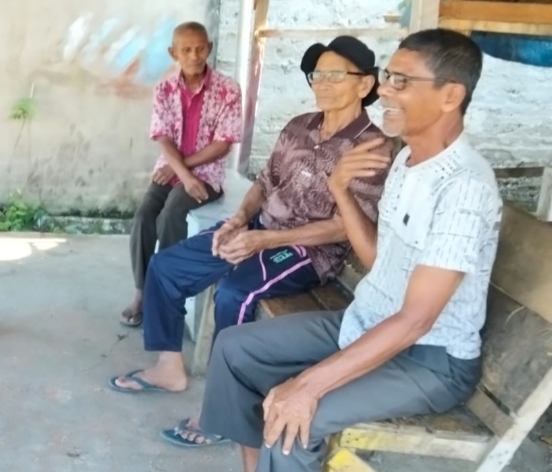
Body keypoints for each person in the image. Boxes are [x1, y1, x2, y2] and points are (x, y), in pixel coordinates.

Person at [198, 28, 503, 472]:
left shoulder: (464, 186)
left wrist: (309, 385)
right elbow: (379, 262)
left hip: (429, 358)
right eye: (388, 78)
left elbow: (416, 320)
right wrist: (340, 188)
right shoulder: (406, 160)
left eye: (401, 81)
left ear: (450, 95)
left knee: (296, 419)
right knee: (233, 349)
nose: (385, 91)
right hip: (367, 321)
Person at [108, 36, 393, 414]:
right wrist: (239, 219)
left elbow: (344, 227)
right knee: (167, 265)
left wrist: (266, 240)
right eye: (318, 75)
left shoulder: (371, 147)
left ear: (364, 84)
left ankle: (225, 406)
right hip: (260, 227)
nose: (322, 83)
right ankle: (168, 368)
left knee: (235, 293)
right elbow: (263, 183)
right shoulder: (299, 127)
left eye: (335, 75)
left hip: (307, 251)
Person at [120, 22, 243, 327]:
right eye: (186, 50)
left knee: (172, 212)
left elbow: (223, 143)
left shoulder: (228, 89)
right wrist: (182, 172)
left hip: (206, 173)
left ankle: (166, 294)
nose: (194, 56)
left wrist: (184, 172)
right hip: (171, 169)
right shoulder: (164, 89)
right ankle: (142, 292)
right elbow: (162, 137)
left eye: (200, 48)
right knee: (144, 216)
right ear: (173, 53)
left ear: (209, 48)